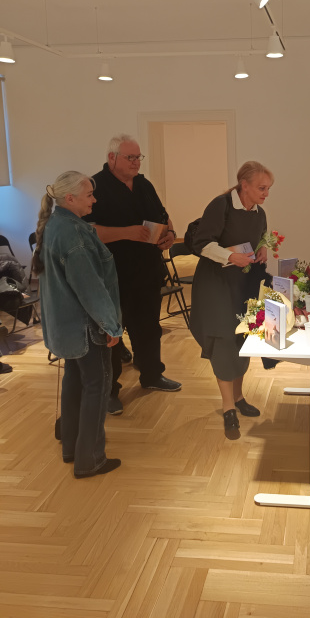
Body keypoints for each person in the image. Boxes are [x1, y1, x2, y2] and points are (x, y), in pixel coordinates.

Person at [33, 171, 123, 478]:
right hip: (87, 328)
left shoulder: (54, 225)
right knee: (98, 386)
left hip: (67, 328)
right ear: (70, 198)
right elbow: (90, 288)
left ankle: (71, 448)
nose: (94, 200)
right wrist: (111, 325)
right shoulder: (74, 235)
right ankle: (90, 459)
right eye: (89, 195)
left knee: (74, 382)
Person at [88, 134, 181, 415]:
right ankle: (110, 391)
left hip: (148, 270)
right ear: (111, 157)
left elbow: (163, 216)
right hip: (112, 275)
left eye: (138, 157)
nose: (136, 162)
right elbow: (87, 230)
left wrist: (170, 234)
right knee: (112, 335)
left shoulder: (143, 184)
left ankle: (152, 375)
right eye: (130, 157)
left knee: (149, 327)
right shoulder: (94, 187)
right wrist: (126, 233)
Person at [190, 161, 273, 439]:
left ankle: (238, 397)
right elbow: (201, 243)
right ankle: (228, 408)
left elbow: (262, 236)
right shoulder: (221, 205)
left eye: (268, 189)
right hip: (216, 284)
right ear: (244, 185)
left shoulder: (259, 212)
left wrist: (263, 249)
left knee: (243, 337)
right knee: (224, 340)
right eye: (262, 188)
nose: (266, 194)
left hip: (244, 284)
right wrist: (230, 256)